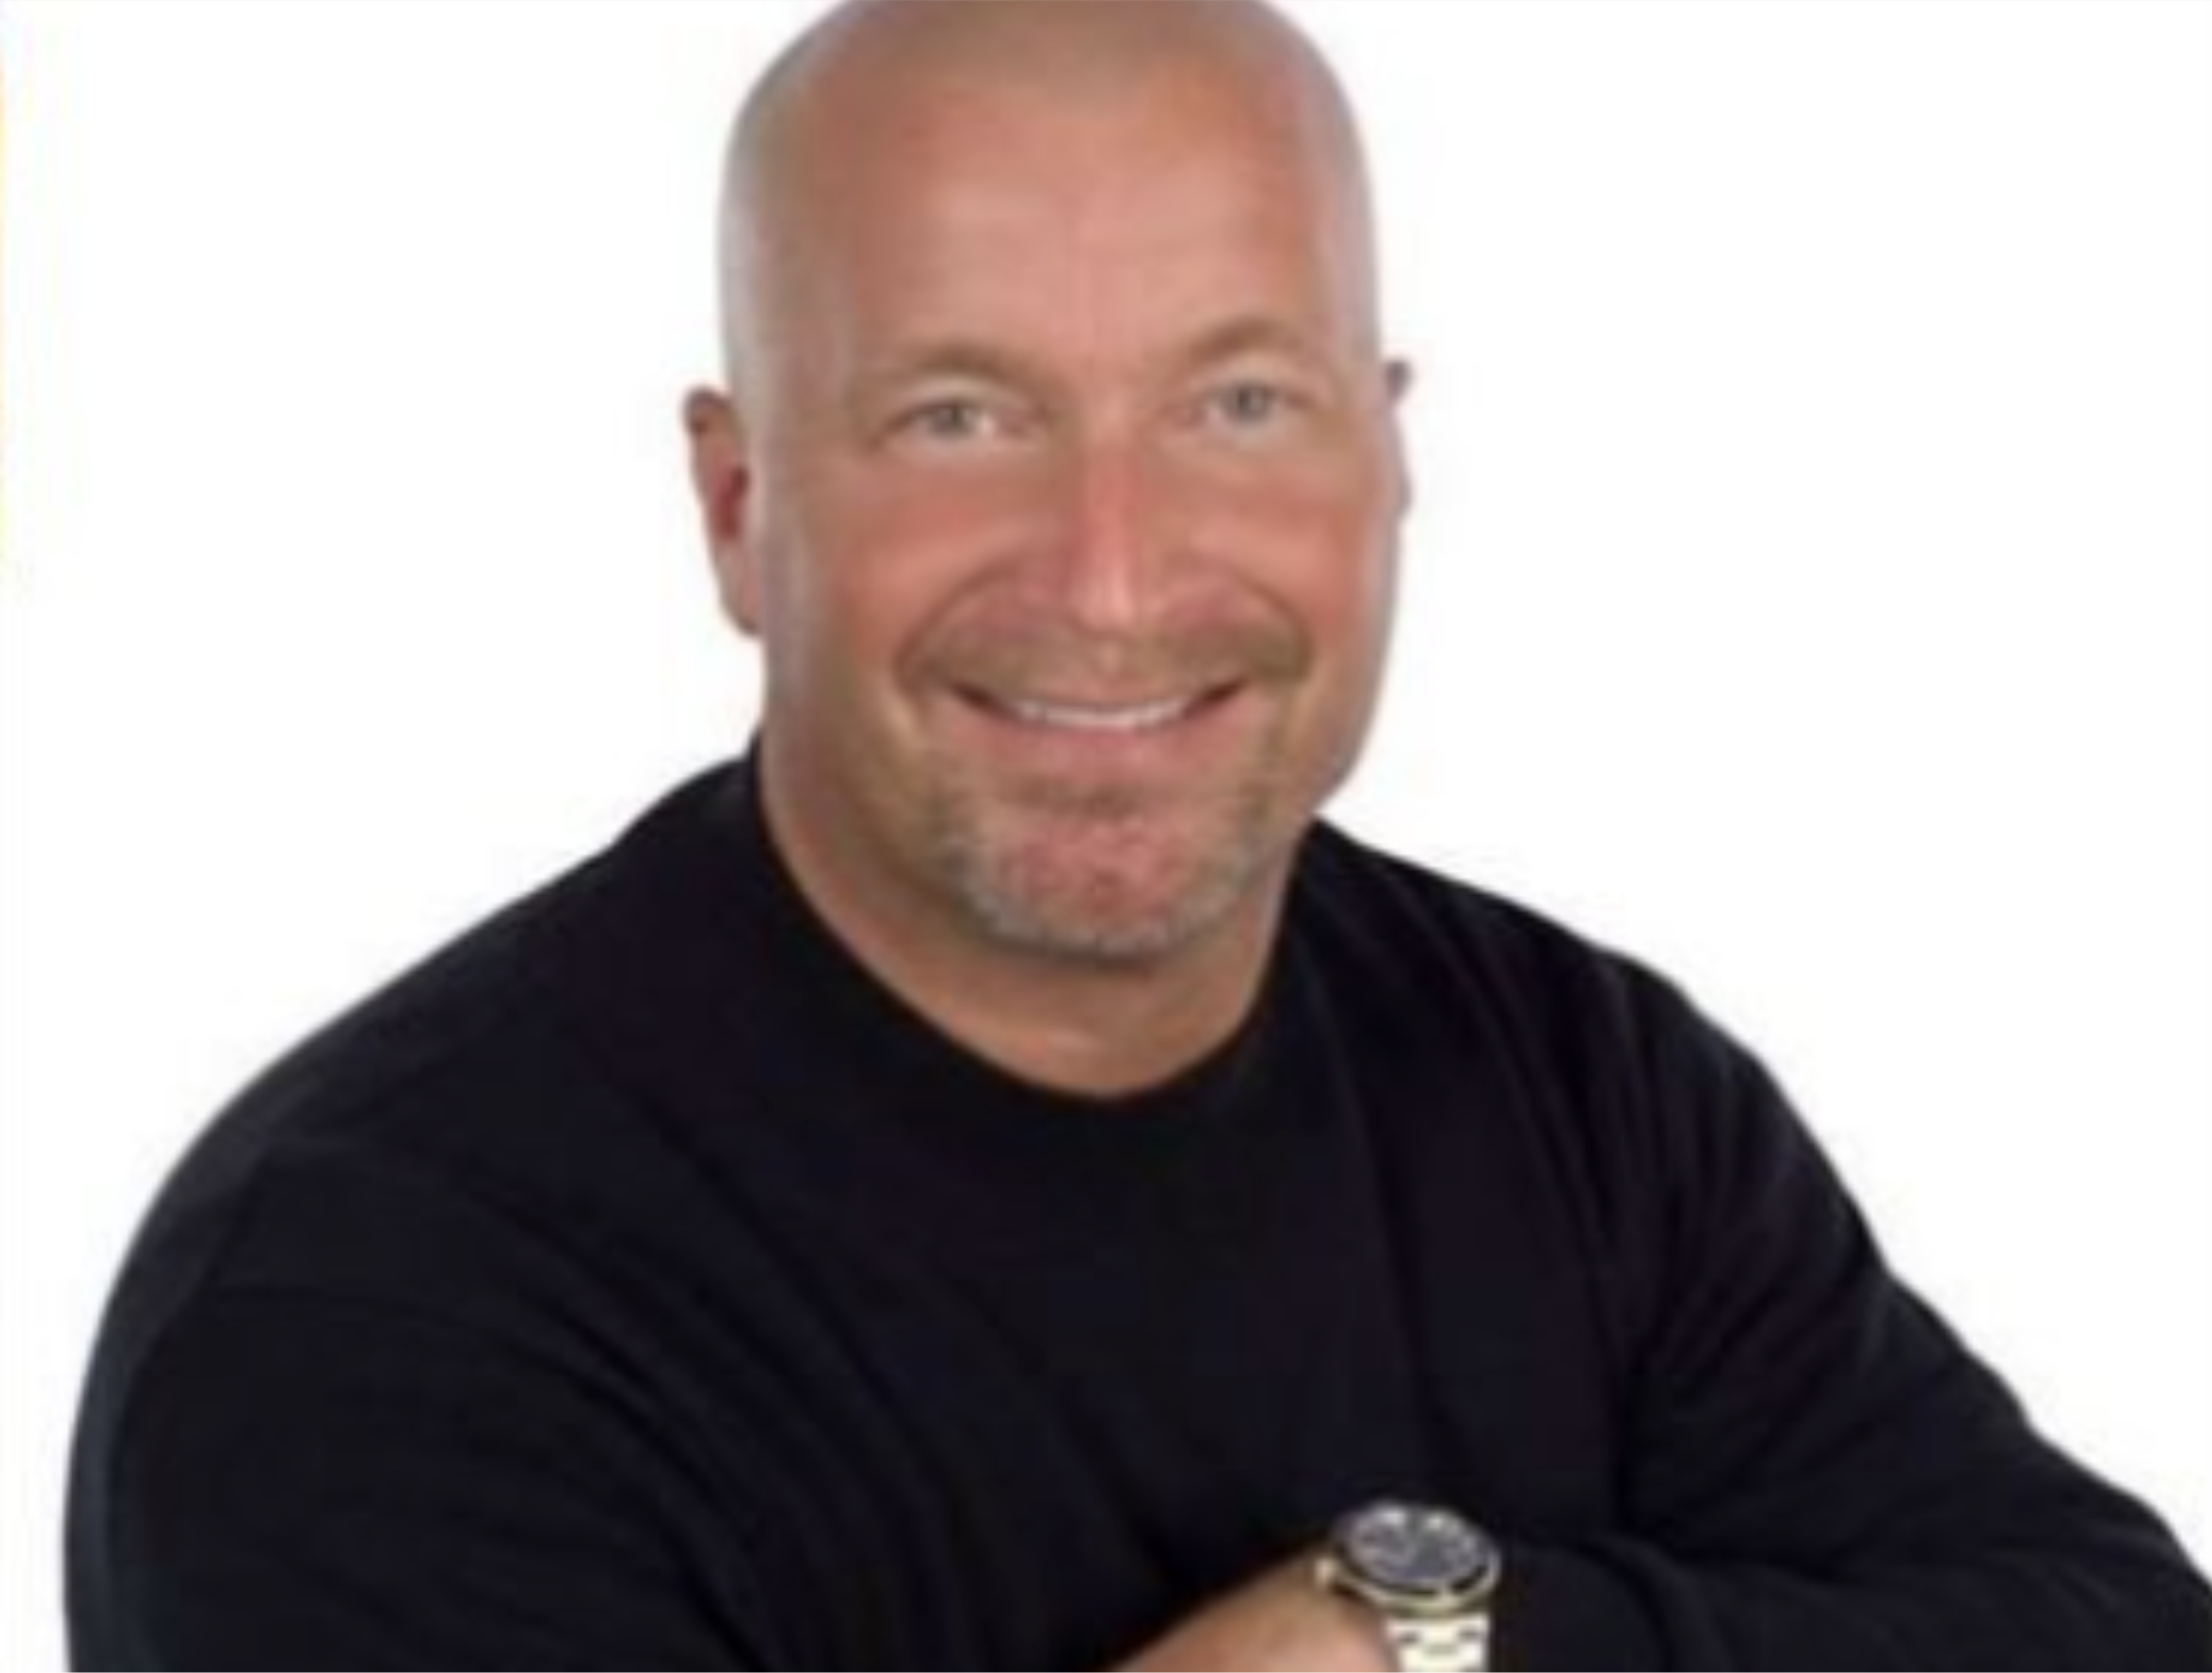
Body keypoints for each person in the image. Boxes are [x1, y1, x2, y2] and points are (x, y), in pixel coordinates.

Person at [64, 2, 2212, 1668]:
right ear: (740, 508)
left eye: (1239, 403)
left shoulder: (1584, 1093)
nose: (1111, 573)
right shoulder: (375, 1310)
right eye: (959, 415)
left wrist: (1428, 1629)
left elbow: (2113, 1631)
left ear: (1388, 455)